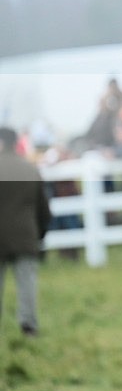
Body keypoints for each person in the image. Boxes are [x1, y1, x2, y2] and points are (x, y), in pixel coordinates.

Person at [0, 127, 52, 336]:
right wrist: (40, 232)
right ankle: (29, 326)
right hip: (25, 236)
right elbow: (43, 208)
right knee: (27, 283)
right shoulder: (30, 169)